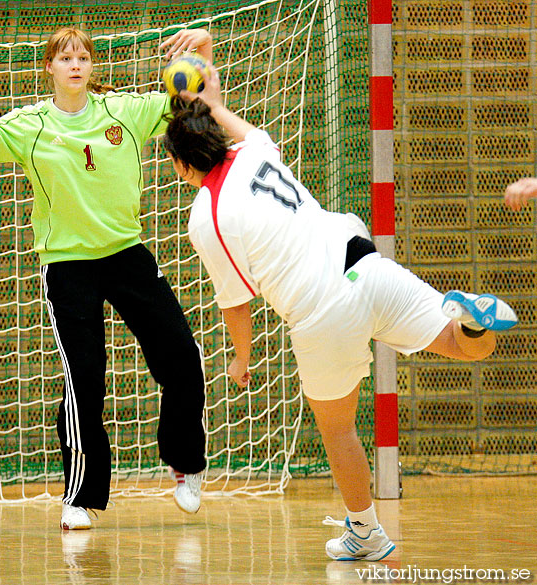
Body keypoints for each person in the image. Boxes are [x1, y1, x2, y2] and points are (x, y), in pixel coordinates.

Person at [161, 65, 518, 561]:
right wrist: (211, 93)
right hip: (360, 258)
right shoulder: (254, 152)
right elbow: (227, 122)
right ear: (219, 138)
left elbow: (235, 303)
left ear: (181, 167)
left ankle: (366, 533)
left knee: (338, 427)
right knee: (462, 344)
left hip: (321, 305)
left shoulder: (207, 216)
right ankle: (474, 318)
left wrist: (241, 360)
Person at [0, 26, 212, 529]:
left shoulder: (126, 113)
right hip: (67, 265)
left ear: (92, 67)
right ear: (49, 67)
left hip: (127, 253)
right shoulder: (29, 125)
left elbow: (194, 99)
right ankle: (81, 496)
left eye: (83, 57)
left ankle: (185, 462)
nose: (75, 64)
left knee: (182, 354)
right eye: (64, 57)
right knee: (84, 380)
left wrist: (202, 50)